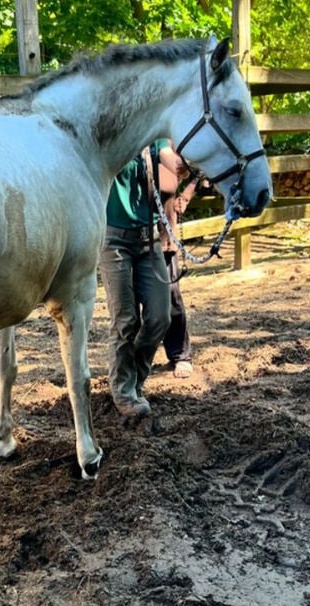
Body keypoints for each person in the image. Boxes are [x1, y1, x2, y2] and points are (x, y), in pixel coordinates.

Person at [99, 139, 184, 417]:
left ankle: (134, 376)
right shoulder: (113, 132)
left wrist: (187, 163)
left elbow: (169, 157)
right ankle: (125, 391)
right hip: (113, 240)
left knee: (160, 316)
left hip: (148, 238)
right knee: (125, 319)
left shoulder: (152, 137)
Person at [159, 162, 199, 379]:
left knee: (171, 296)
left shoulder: (169, 143)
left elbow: (198, 166)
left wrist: (185, 195)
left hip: (164, 236)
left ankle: (180, 355)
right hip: (131, 238)